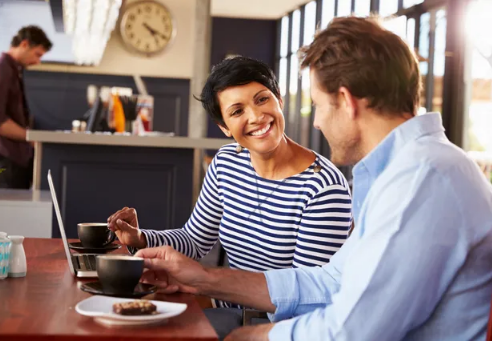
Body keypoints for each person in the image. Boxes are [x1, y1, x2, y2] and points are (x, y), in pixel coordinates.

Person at [133, 16, 492, 341]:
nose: (316, 122)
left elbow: (350, 331)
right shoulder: (411, 171)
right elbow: (330, 282)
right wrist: (202, 279)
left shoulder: (423, 180)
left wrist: (256, 337)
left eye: (318, 104)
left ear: (346, 101)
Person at [107, 57, 353, 330]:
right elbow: (195, 240)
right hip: (223, 312)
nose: (256, 116)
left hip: (273, 328)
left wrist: (253, 335)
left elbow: (309, 298)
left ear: (279, 100)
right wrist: (140, 238)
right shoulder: (226, 163)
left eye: (262, 99)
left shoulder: (322, 188)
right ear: (225, 127)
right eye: (237, 111)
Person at [0, 26, 52, 189]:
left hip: (11, 159)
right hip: (3, 160)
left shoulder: (11, 69)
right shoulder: (0, 69)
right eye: (37, 54)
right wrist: (31, 137)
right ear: (25, 44)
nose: (37, 61)